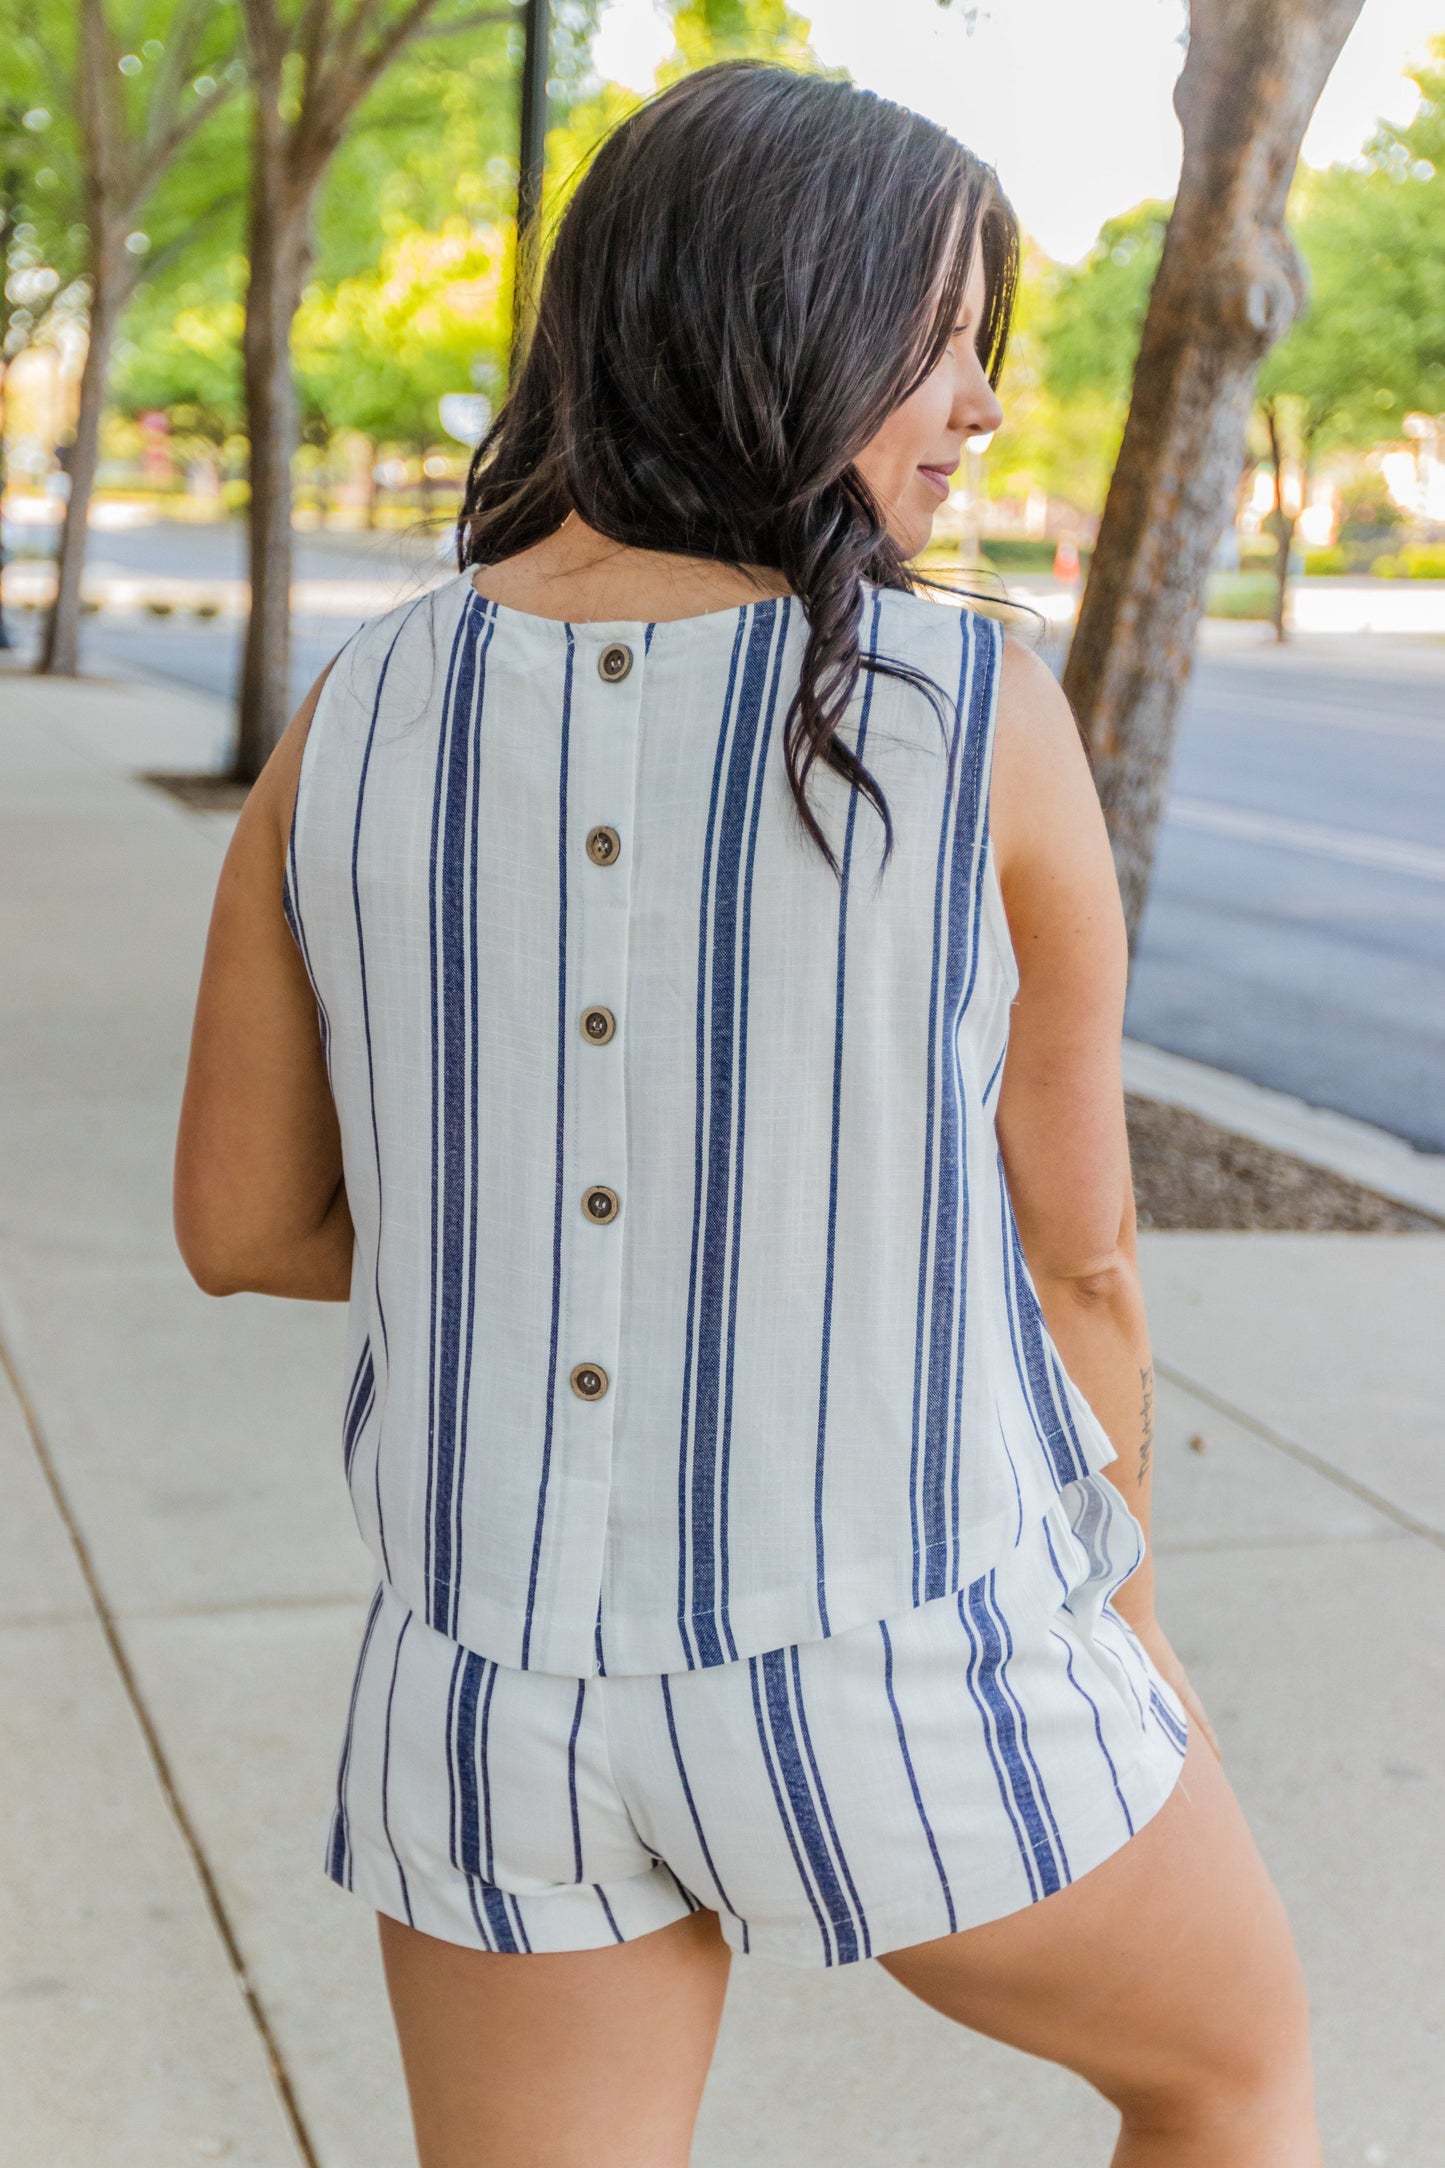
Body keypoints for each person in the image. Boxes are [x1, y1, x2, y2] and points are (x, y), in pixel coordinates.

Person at [174, 59, 1319, 2168]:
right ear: (779, 315)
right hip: (895, 1650)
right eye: (948, 333)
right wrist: (1128, 1623)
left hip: (489, 1691)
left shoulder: (355, 711)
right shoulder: (972, 705)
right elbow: (1077, 1251)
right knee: (1227, 2070)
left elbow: (241, 1221)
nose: (980, 400)